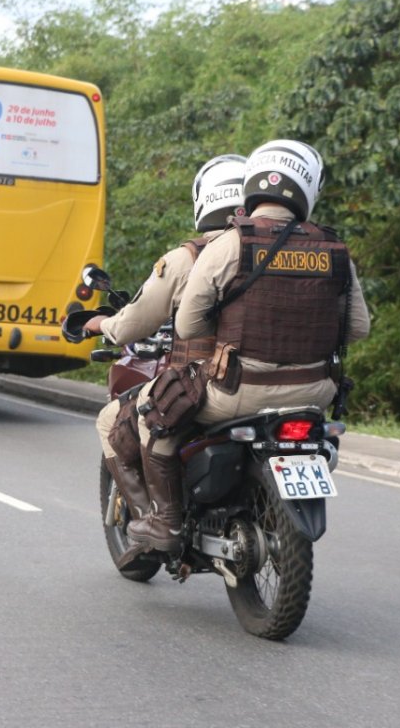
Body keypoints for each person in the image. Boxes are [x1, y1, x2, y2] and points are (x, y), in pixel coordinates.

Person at [124, 139, 370, 554]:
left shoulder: (230, 243)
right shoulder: (334, 249)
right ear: (310, 187)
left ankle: (166, 522)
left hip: (236, 393)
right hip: (314, 394)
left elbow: (187, 323)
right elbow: (358, 328)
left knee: (151, 415)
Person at [85, 155, 250, 552]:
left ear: (205, 199)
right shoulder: (274, 251)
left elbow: (132, 324)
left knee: (115, 421)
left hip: (211, 384)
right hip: (285, 380)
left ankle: (159, 522)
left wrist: (100, 324)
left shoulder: (187, 258)